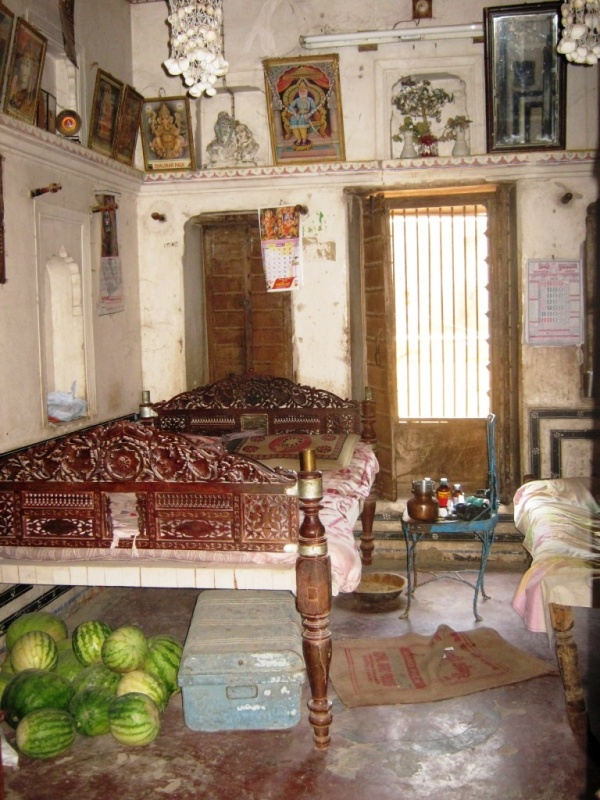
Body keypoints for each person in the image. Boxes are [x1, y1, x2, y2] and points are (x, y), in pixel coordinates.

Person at [286, 80, 318, 147]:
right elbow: (290, 107)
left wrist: (309, 114)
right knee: (293, 119)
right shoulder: (297, 100)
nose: (302, 92)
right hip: (298, 114)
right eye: (301, 91)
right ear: (299, 92)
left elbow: (314, 108)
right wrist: (295, 114)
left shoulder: (310, 100)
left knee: (301, 120)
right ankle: (298, 139)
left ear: (306, 92)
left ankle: (304, 139)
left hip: (307, 115)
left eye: (304, 91)